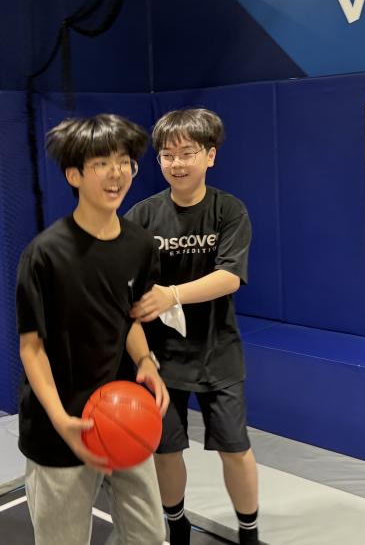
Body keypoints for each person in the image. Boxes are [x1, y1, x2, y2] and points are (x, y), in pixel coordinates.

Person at [16, 114, 170, 545]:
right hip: (59, 427)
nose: (116, 173)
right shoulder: (43, 255)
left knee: (148, 536)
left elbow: (129, 318)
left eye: (124, 162)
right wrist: (61, 420)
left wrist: (145, 361)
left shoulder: (140, 245)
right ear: (74, 175)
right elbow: (32, 348)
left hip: (124, 414)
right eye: (102, 163)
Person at [126, 108, 259, 545]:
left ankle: (249, 532)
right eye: (168, 155)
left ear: (210, 156)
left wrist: (172, 294)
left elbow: (230, 277)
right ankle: (177, 526)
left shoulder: (229, 210)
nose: (177, 163)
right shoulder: (142, 215)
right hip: (161, 358)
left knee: (235, 449)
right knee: (166, 450)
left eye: (187, 153)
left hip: (218, 352)